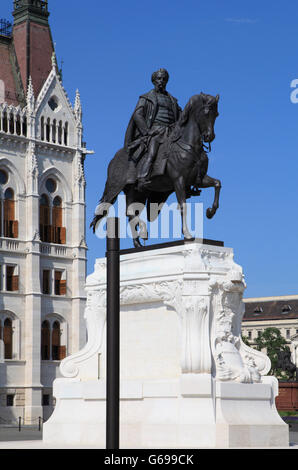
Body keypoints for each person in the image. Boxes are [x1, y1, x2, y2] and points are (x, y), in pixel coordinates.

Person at [124, 68, 181, 191]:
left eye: (164, 79)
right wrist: (147, 131)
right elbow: (137, 115)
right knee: (152, 152)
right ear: (154, 80)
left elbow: (181, 116)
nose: (162, 81)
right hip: (155, 131)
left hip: (171, 132)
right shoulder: (146, 97)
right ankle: (142, 178)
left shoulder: (173, 100)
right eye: (159, 79)